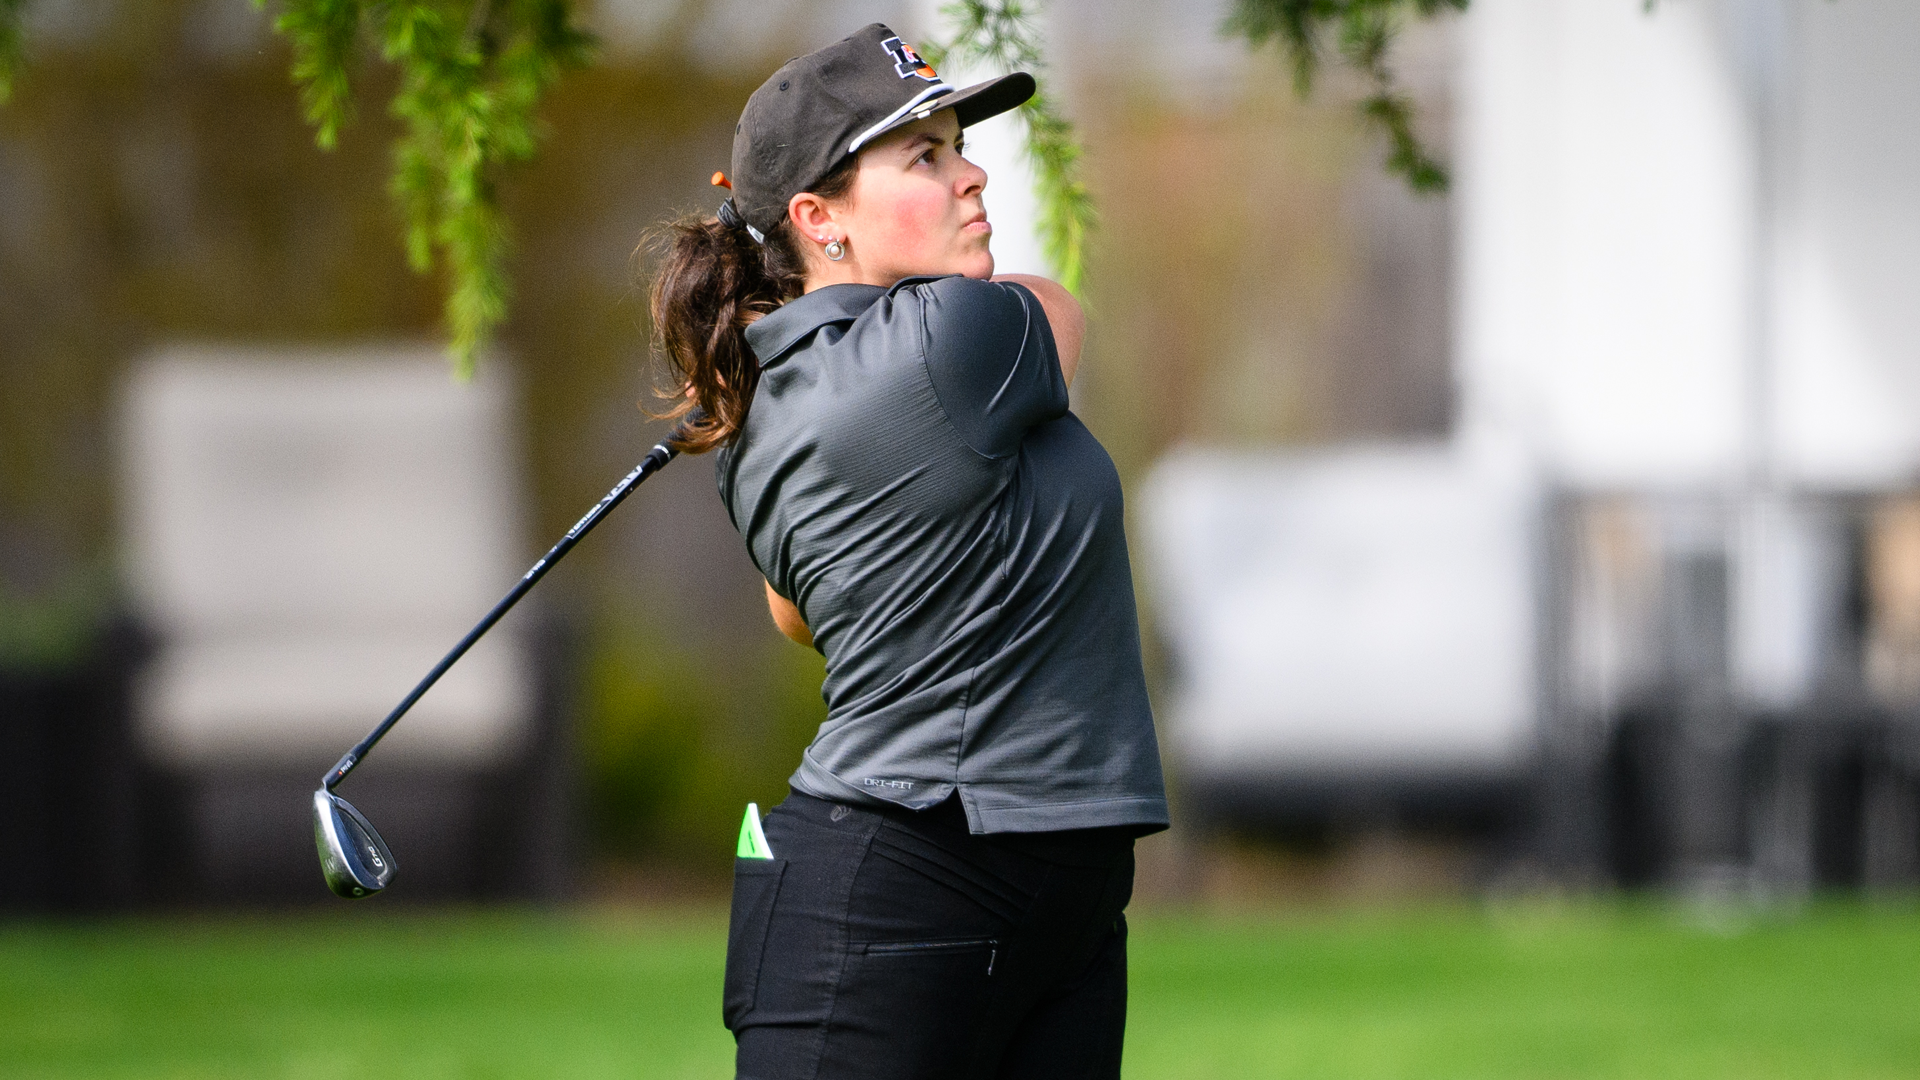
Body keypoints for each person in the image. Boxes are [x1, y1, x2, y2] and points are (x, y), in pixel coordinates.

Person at [648, 23, 1168, 1080]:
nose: (972, 173)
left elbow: (795, 617)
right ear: (818, 217)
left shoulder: (753, 414)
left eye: (956, 145)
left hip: (1044, 892)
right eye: (922, 156)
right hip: (910, 882)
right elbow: (1062, 310)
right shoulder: (954, 339)